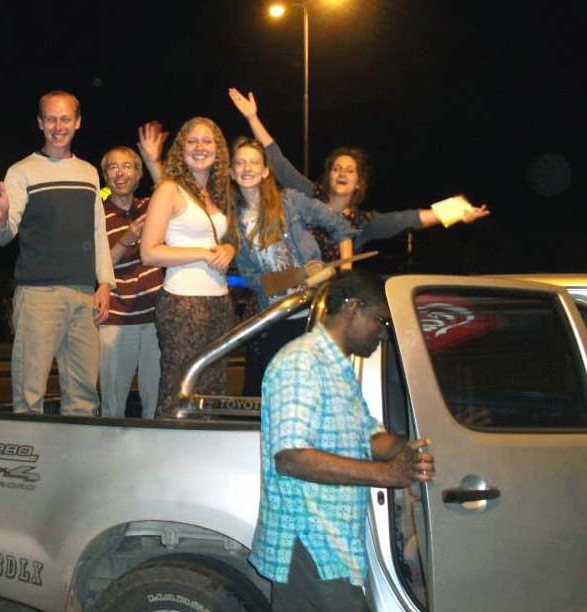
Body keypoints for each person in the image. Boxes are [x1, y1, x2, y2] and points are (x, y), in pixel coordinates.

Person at [249, 270, 435, 612]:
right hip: (307, 538)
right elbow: (290, 457)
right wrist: (385, 475)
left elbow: (369, 437)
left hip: (332, 541)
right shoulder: (301, 362)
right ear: (351, 307)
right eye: (379, 320)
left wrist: (410, 449)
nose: (382, 333)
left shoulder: (337, 368)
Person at [0, 90, 114, 415]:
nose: (58, 126)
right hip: (38, 295)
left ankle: (75, 461)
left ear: (77, 122)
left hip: (83, 296)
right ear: (39, 123)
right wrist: (2, 218)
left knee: (85, 397)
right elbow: (3, 237)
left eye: (65, 118)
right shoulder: (21, 171)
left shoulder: (89, 173)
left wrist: (104, 282)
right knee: (29, 395)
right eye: (50, 118)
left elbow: (98, 231)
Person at [228, 88, 490, 262]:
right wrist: (253, 118)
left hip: (328, 301)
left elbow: (411, 219)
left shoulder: (363, 224)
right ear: (328, 175)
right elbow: (278, 160)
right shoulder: (307, 195)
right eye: (337, 168)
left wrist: (458, 211)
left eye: (349, 170)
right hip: (289, 289)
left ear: (358, 183)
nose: (342, 173)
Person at [230, 136, 356, 396]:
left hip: (310, 314)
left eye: (254, 162)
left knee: (308, 391)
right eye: (240, 163)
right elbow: (252, 278)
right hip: (273, 316)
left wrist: (344, 275)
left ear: (266, 171)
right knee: (265, 391)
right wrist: (287, 279)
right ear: (232, 172)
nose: (247, 168)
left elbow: (341, 226)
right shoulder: (233, 221)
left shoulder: (291, 200)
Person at [140, 117, 236, 417]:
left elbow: (229, 238)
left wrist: (229, 248)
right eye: (192, 141)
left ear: (218, 150)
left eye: (207, 141)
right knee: (179, 389)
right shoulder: (169, 189)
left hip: (220, 302)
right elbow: (149, 252)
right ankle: (166, 456)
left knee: (211, 389)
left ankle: (202, 457)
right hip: (183, 304)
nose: (199, 147)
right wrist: (204, 254)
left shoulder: (218, 193)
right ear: (180, 149)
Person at [98, 129, 167, 418]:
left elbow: (174, 193)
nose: (121, 173)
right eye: (113, 167)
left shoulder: (152, 208)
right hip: (116, 321)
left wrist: (154, 160)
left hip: (155, 320)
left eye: (128, 166)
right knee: (113, 404)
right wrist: (128, 237)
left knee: (156, 402)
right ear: (105, 176)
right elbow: (97, 266)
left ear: (139, 174)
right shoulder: (97, 215)